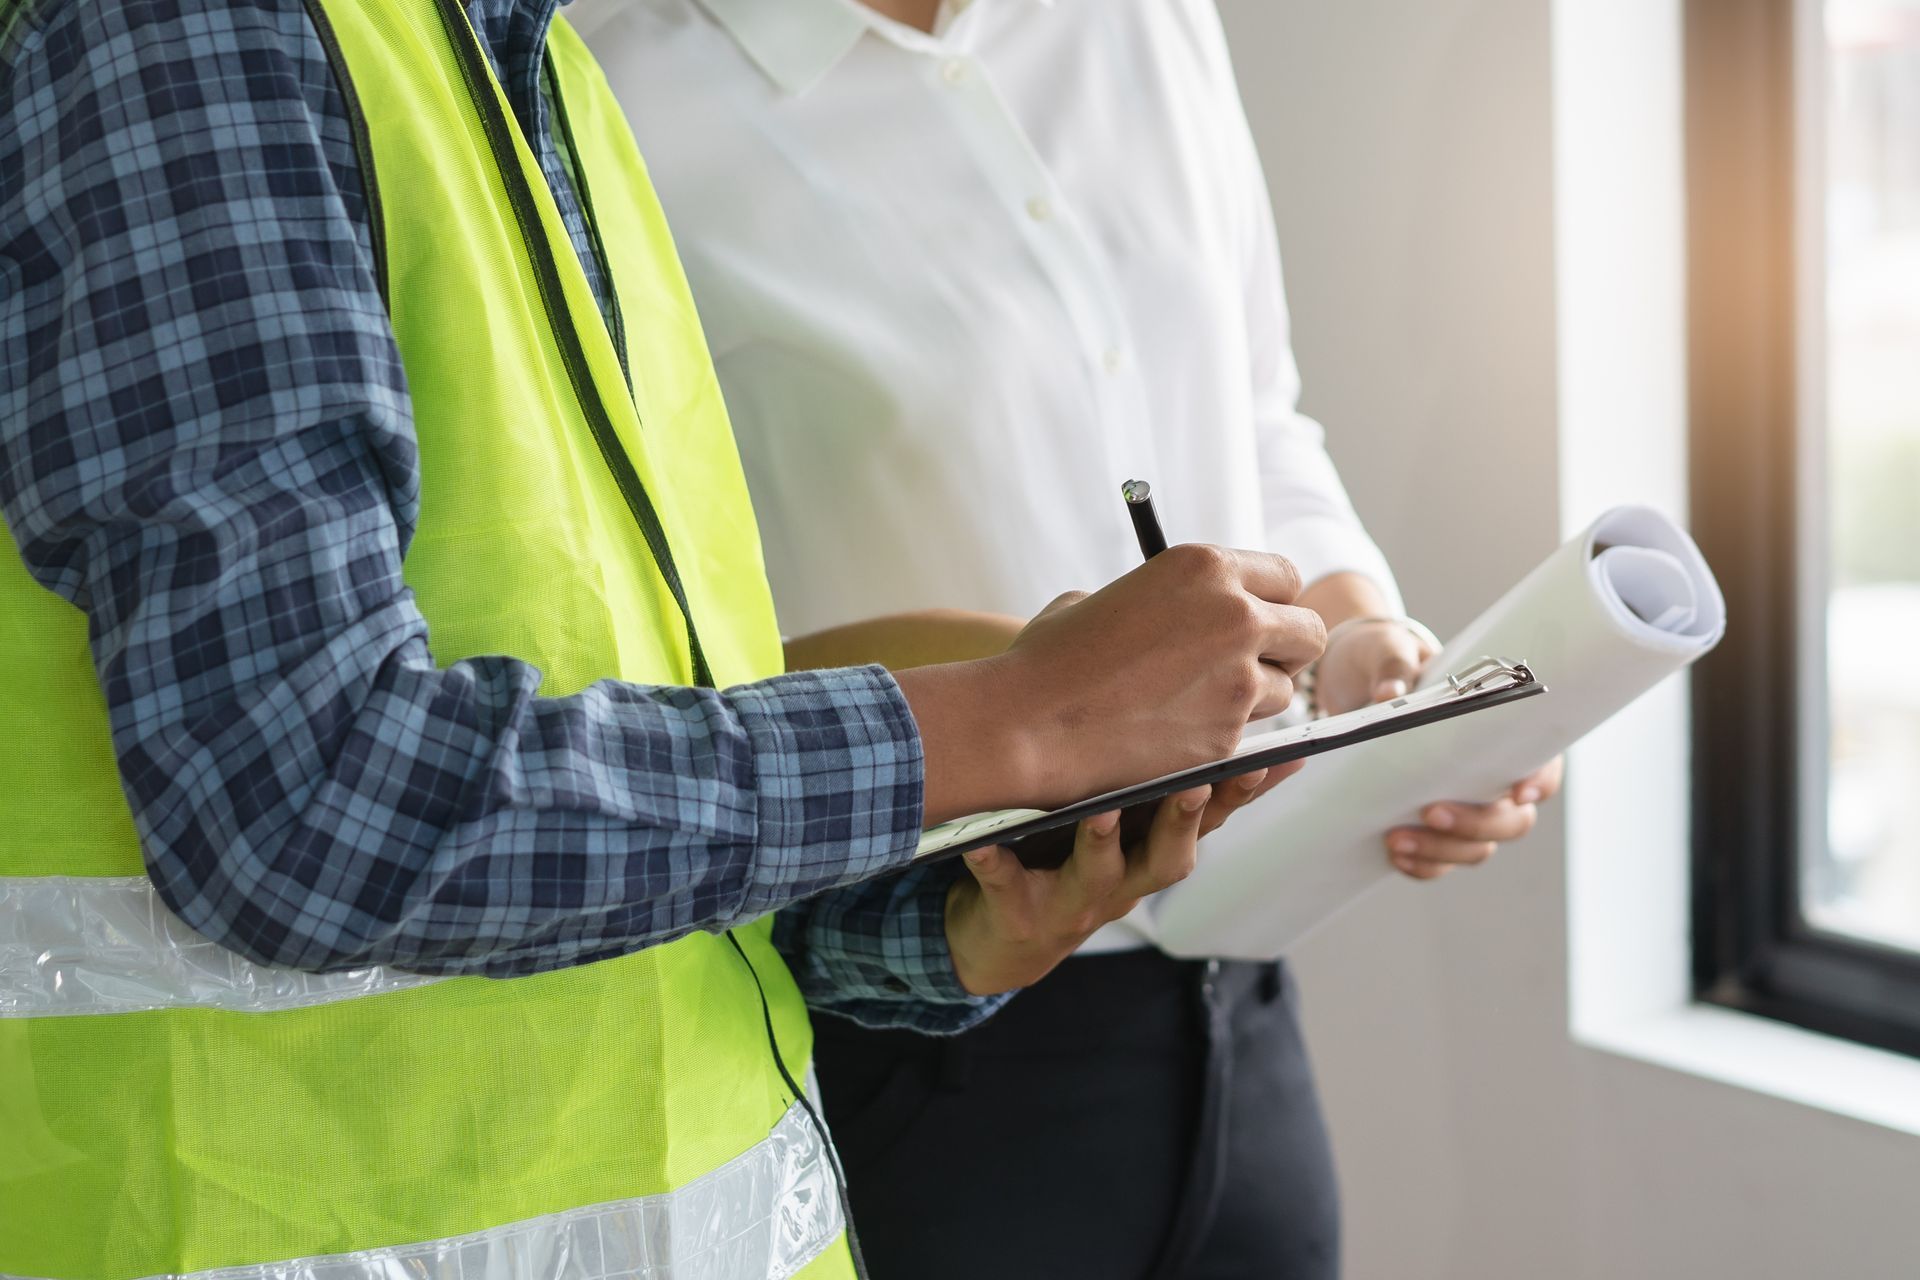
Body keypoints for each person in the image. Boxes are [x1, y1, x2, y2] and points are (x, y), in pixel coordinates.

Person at [0, 3, 1326, 1278]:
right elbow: (303, 803)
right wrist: (1014, 720)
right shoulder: (186, 34)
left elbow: (639, 791)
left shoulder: (535, 65)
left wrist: (950, 924)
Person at [573, 1, 1565, 1277]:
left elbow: (1255, 408)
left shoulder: (1146, 18)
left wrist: (1356, 634)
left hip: (1237, 997)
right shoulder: (609, 81)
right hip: (920, 1025)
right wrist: (1032, 693)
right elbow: (644, 644)